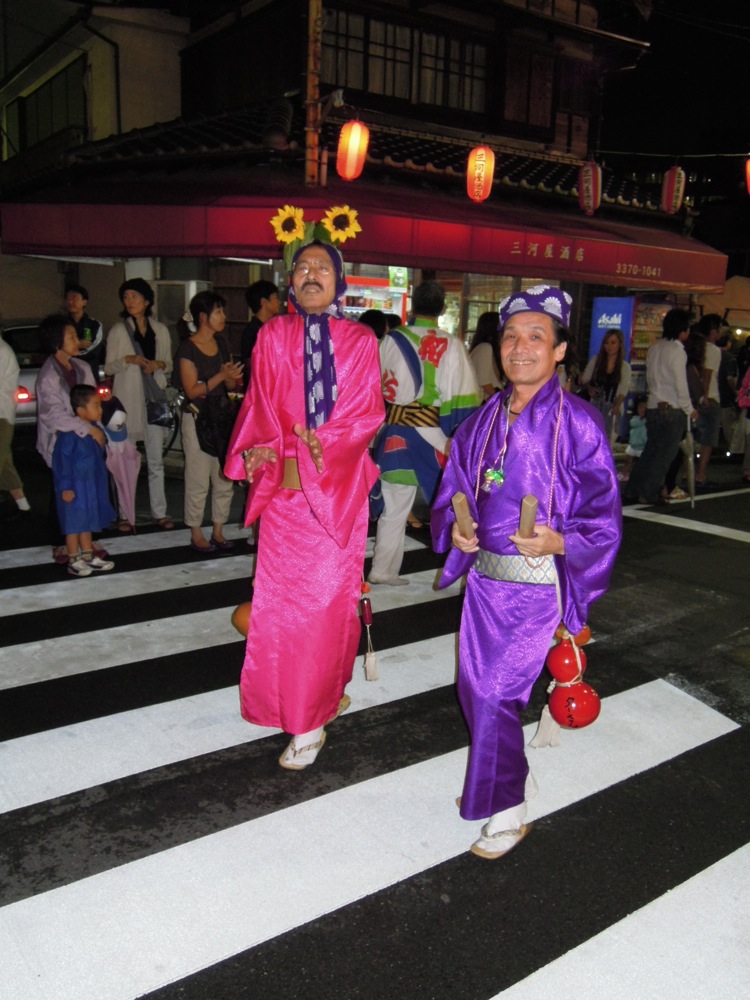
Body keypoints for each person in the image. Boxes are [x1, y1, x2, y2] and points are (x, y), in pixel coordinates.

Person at [431, 285, 622, 860]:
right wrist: (457, 527)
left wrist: (560, 539)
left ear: (559, 351)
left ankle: (506, 810)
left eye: (536, 337)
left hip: (538, 588)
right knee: (475, 691)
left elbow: (605, 519)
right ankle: (511, 770)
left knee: (493, 692)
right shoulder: (482, 419)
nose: (520, 348)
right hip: (485, 584)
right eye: (511, 336)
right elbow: (455, 490)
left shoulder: (581, 424)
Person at [224, 240, 384, 770]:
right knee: (280, 614)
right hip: (286, 505)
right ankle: (305, 701)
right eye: (301, 267)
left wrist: (328, 445)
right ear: (289, 281)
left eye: (322, 267)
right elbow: (259, 406)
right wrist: (258, 449)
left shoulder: (360, 340)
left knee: (322, 612)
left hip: (336, 501)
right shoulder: (271, 336)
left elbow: (365, 413)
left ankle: (310, 719)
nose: (310, 274)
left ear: (339, 280)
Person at [368, 280, 480, 586]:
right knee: (457, 504)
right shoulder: (452, 345)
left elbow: (371, 390)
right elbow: (463, 398)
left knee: (394, 506)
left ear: (412, 305)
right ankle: (463, 572)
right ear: (443, 309)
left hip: (395, 434)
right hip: (435, 438)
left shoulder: (390, 340)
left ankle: (382, 570)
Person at [174, 291, 243, 553]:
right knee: (198, 478)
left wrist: (230, 377)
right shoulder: (188, 348)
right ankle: (195, 530)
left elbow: (228, 384)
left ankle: (218, 528)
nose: (223, 317)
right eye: (218, 312)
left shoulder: (222, 342)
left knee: (223, 475)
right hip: (198, 417)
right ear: (203, 317)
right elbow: (192, 390)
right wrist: (220, 375)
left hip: (222, 417)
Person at [35, 314, 108, 563]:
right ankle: (62, 543)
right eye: (71, 336)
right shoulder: (48, 376)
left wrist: (98, 430)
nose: (76, 340)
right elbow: (52, 415)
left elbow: (91, 403)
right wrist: (87, 428)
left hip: (85, 444)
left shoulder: (82, 367)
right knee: (63, 491)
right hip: (62, 444)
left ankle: (87, 539)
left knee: (89, 489)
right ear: (57, 342)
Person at [104, 278, 174, 532]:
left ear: (146, 300)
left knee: (156, 460)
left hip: (153, 399)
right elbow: (109, 366)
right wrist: (128, 359)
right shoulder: (118, 331)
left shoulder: (160, 330)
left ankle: (160, 512)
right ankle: (125, 513)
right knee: (126, 460)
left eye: (135, 296)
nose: (130, 301)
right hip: (128, 401)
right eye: (126, 297)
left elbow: (169, 362)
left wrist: (159, 365)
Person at [623, 309, 696, 506]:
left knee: (650, 451)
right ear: (682, 329)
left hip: (654, 405)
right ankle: (648, 493)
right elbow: (681, 384)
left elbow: (650, 378)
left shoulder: (655, 347)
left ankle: (632, 489)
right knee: (664, 455)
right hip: (672, 408)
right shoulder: (677, 351)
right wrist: (689, 409)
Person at [52, 384, 116, 577]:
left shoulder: (94, 430)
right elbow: (62, 462)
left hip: (90, 484)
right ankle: (73, 558)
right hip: (75, 485)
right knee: (74, 523)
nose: (100, 409)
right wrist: (66, 487)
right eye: (95, 405)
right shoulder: (69, 435)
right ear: (80, 410)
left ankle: (87, 556)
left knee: (88, 520)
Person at [579, 328, 631, 446]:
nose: (609, 346)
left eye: (613, 342)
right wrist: (589, 388)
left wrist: (617, 405)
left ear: (619, 345)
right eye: (606, 342)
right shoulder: (596, 361)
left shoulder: (624, 367)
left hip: (612, 408)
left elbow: (623, 389)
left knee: (608, 441)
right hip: (595, 405)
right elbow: (586, 379)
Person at [0, 330, 31, 519]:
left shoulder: (2, 350)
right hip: (3, 413)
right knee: (5, 462)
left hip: (1, 414)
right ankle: (24, 507)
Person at [694, 314, 723, 490]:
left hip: (693, 398)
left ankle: (687, 473)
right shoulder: (713, 350)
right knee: (708, 440)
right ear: (713, 331)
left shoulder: (694, 347)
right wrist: (705, 396)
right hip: (709, 397)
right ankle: (701, 475)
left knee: (692, 438)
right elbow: (708, 374)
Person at [240, 280, 281, 392]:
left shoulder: (269, 328)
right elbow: (250, 364)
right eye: (275, 297)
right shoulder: (254, 330)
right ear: (264, 302)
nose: (279, 302)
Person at [65, 284, 105, 371]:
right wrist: (78, 344)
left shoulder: (94, 325)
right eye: (68, 298)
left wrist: (70, 350)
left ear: (84, 302)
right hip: (67, 371)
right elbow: (57, 348)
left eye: (75, 298)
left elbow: (93, 350)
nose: (71, 302)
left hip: (89, 370)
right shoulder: (61, 324)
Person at [468, 311, 503, 400]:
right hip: (485, 402)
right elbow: (484, 382)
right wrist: (498, 401)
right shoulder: (485, 348)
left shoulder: (484, 347)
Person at [618, 395, 647, 483]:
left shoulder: (648, 420)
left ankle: (640, 476)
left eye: (644, 407)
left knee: (641, 464)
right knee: (628, 461)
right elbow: (633, 424)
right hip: (633, 444)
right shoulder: (635, 419)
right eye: (640, 407)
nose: (642, 409)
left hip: (643, 446)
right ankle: (624, 474)